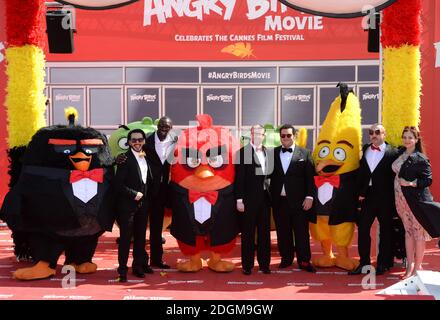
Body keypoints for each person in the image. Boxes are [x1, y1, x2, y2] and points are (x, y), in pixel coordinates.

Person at [350, 124, 399, 276]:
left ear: (384, 134)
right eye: (371, 132)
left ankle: (383, 263)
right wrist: (359, 192)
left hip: (386, 197)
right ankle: (363, 263)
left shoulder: (394, 152)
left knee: (385, 231)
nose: (374, 135)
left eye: (377, 132)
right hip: (368, 196)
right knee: (363, 229)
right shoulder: (365, 149)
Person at [392, 126, 440, 279]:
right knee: (408, 232)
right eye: (404, 137)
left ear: (416, 139)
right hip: (401, 200)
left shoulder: (421, 158)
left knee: (418, 234)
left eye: (410, 137)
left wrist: (411, 183)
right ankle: (410, 267)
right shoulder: (400, 153)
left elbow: (428, 180)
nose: (407, 140)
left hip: (415, 200)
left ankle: (417, 268)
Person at [268, 124, 316, 272]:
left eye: (289, 135)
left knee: (301, 232)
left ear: (294, 136)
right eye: (283, 136)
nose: (286, 138)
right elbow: (265, 176)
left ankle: (304, 261)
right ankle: (286, 259)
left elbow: (311, 178)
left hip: (300, 201)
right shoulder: (272, 153)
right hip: (279, 201)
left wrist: (309, 197)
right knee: (283, 232)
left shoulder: (305, 153)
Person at [114, 129, 154, 282]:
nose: (137, 142)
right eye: (134, 140)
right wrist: (133, 194)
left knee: (140, 237)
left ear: (144, 141)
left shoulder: (147, 156)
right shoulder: (124, 158)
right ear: (129, 142)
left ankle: (138, 266)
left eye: (140, 140)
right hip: (127, 205)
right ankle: (122, 270)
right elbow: (118, 184)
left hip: (143, 204)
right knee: (125, 238)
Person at [235, 125, 272, 275]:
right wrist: (239, 200)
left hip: (265, 200)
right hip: (248, 201)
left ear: (264, 136)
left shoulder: (269, 153)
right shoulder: (242, 153)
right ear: (251, 134)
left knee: (265, 234)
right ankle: (247, 266)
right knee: (248, 234)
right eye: (255, 133)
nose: (258, 136)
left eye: (260, 134)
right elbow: (239, 179)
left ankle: (264, 265)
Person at [143, 116, 177, 269]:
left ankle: (157, 259)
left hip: (166, 190)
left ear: (171, 128)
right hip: (147, 190)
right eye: (162, 126)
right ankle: (144, 260)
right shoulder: (146, 141)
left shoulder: (174, 142)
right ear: (157, 126)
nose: (164, 129)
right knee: (145, 226)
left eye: (167, 127)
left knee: (160, 226)